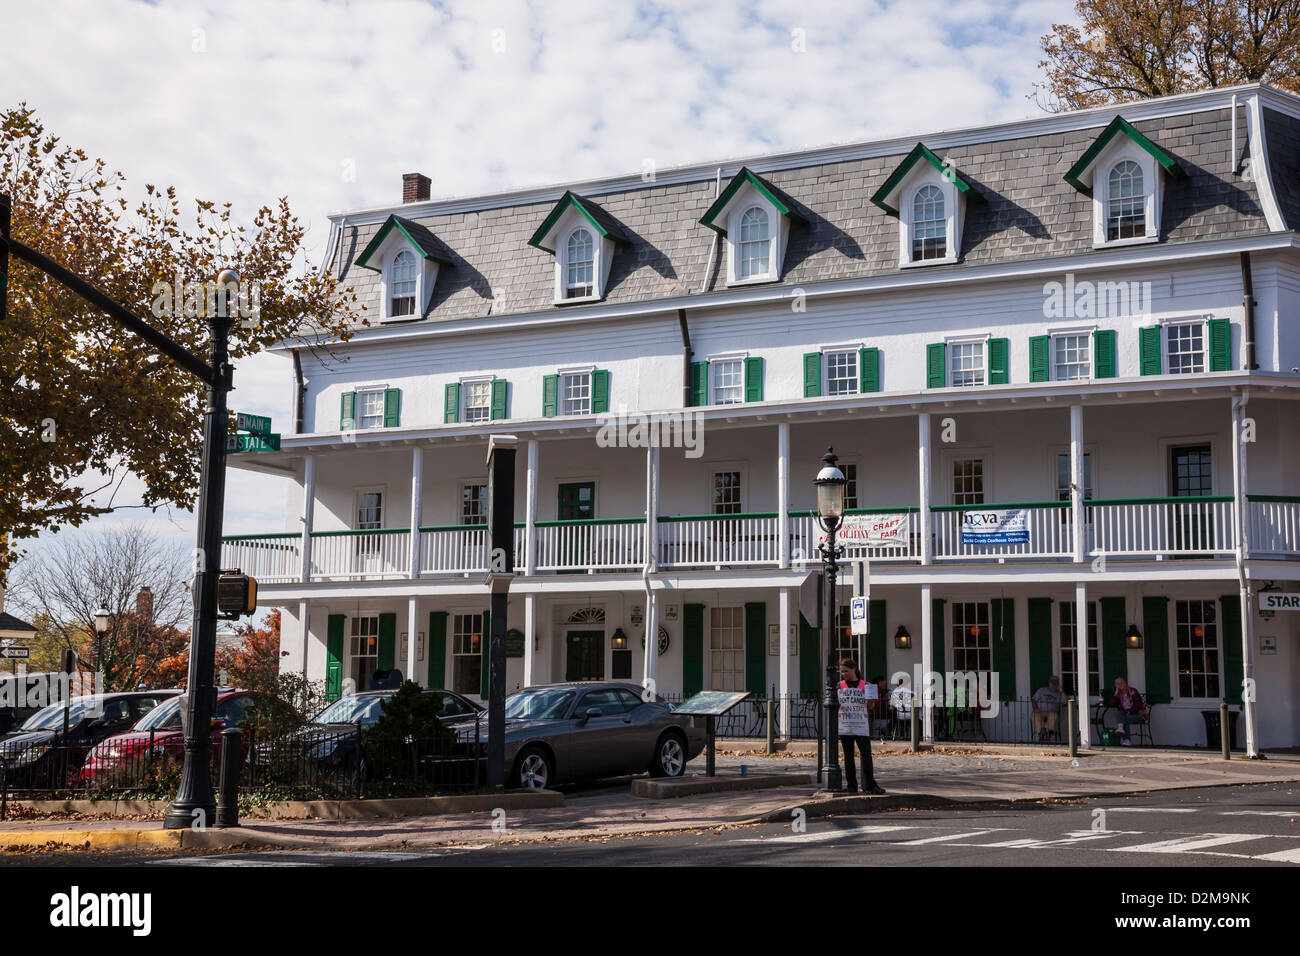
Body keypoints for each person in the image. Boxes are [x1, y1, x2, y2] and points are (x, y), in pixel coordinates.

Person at [837, 658, 885, 795]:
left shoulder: (866, 685)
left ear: (854, 669)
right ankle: (851, 785)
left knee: (866, 755)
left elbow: (871, 706)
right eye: (842, 672)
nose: (844, 674)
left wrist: (872, 700)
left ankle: (869, 785)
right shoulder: (839, 686)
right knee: (848, 756)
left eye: (846, 671)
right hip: (845, 725)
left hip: (861, 725)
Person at [1109, 677, 1149, 745]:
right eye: (1117, 684)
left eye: (1121, 683)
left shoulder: (1133, 691)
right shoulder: (1119, 694)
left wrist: (1129, 711)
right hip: (1127, 715)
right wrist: (1115, 694)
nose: (1119, 685)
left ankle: (1125, 737)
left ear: (1125, 683)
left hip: (1139, 715)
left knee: (1124, 718)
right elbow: (1112, 704)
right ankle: (1123, 733)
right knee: (1120, 713)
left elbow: (1138, 705)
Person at [1031, 676, 1065, 741]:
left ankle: (1047, 733)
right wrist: (1035, 708)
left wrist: (1062, 691)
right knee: (1035, 715)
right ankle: (1042, 733)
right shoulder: (1042, 690)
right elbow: (1033, 699)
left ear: (1058, 685)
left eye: (1055, 684)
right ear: (1049, 683)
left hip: (1052, 712)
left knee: (1053, 715)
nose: (1053, 685)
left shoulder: (1059, 694)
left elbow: (1067, 702)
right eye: (1052, 683)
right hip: (1040, 711)